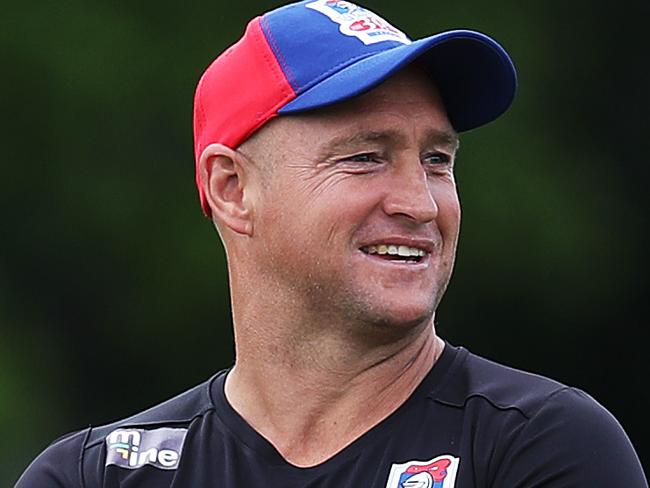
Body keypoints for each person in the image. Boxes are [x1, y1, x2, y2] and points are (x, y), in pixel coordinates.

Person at [16, 1, 647, 487]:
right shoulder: (94, 475)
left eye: (436, 160)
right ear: (232, 188)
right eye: (367, 157)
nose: (420, 203)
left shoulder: (539, 447)